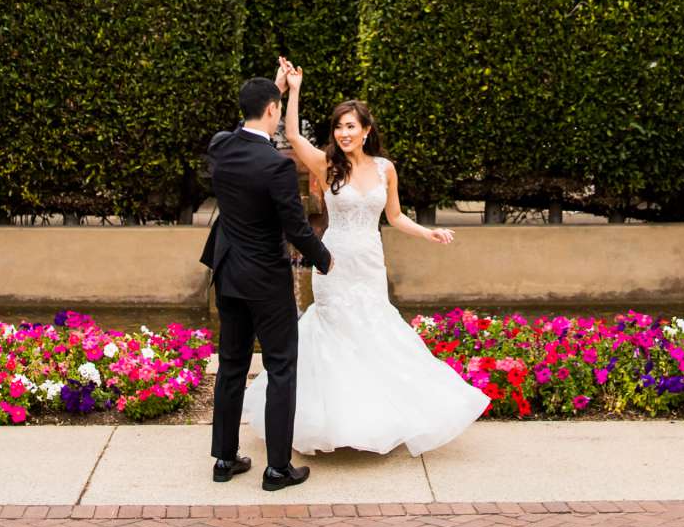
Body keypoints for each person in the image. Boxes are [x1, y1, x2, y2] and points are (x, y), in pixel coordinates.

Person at [249, 62, 489, 456]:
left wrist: (427, 232)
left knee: (375, 334)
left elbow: (393, 217)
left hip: (369, 264)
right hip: (335, 264)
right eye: (338, 127)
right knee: (336, 336)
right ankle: (332, 424)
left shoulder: (385, 169)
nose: (343, 134)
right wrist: (293, 89)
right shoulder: (327, 166)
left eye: (350, 127)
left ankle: (380, 421)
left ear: (366, 131)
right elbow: (290, 134)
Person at [201, 75, 332, 490]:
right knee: (280, 367)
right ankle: (277, 468)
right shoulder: (275, 165)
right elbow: (296, 227)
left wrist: (272, 89)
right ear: (274, 110)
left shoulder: (220, 146)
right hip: (265, 279)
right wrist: (325, 260)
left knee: (232, 366)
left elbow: (241, 125)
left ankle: (223, 459)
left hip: (228, 273)